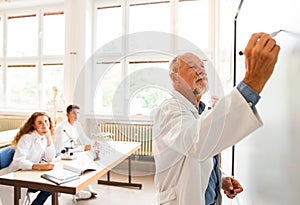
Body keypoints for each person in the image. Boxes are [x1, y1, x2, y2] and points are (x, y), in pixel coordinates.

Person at [151, 32, 280, 205]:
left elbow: (202, 157)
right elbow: (195, 143)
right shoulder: (168, 110)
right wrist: (252, 83)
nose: (201, 71)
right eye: (191, 67)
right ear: (174, 78)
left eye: (202, 66)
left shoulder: (202, 112)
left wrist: (220, 179)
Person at [3, 112, 56, 205]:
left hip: (31, 174)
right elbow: (18, 161)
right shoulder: (27, 138)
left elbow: (50, 158)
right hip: (17, 175)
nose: (44, 125)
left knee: (53, 186)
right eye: (40, 123)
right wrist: (39, 166)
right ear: (33, 125)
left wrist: (49, 139)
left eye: (46, 122)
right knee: (50, 187)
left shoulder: (43, 137)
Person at [54, 104, 98, 200]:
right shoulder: (62, 128)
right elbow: (62, 150)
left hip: (72, 152)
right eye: (73, 113)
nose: (76, 116)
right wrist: (82, 148)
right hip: (61, 156)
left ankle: (84, 186)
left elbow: (84, 138)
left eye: (78, 113)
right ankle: (77, 191)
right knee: (81, 160)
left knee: (87, 158)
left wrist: (93, 143)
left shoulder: (77, 125)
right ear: (67, 114)